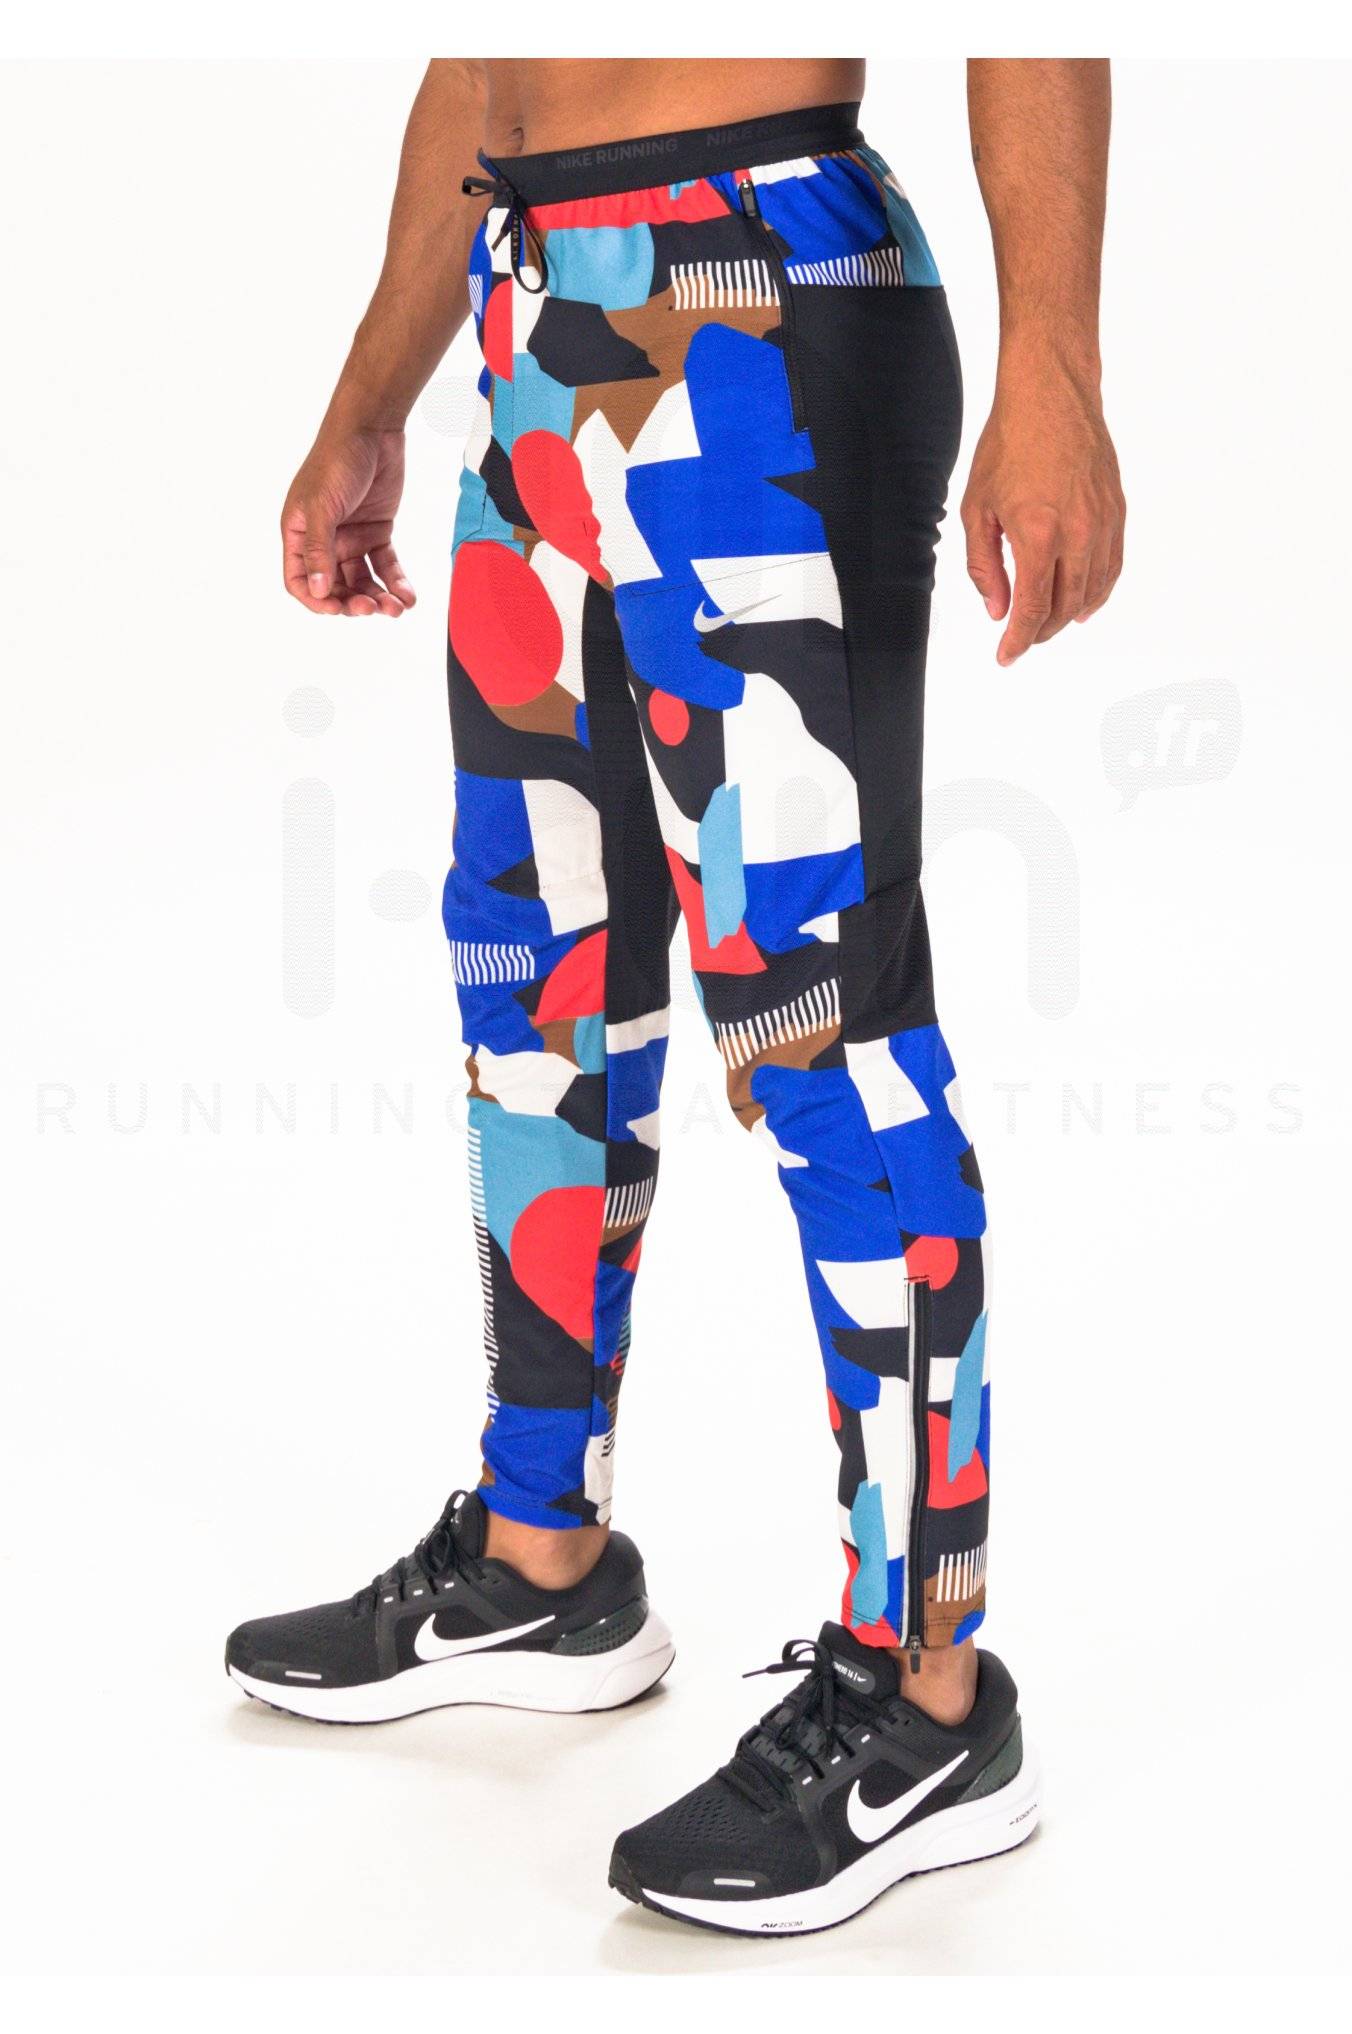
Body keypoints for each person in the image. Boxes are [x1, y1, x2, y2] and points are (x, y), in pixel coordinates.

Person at [228, 57, 1123, 1935]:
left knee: (822, 1031)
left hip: (758, 294)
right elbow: (482, 61)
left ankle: (929, 1693)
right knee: (534, 987)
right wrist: (371, 394)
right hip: (530, 326)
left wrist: (1056, 355)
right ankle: (540, 1554)